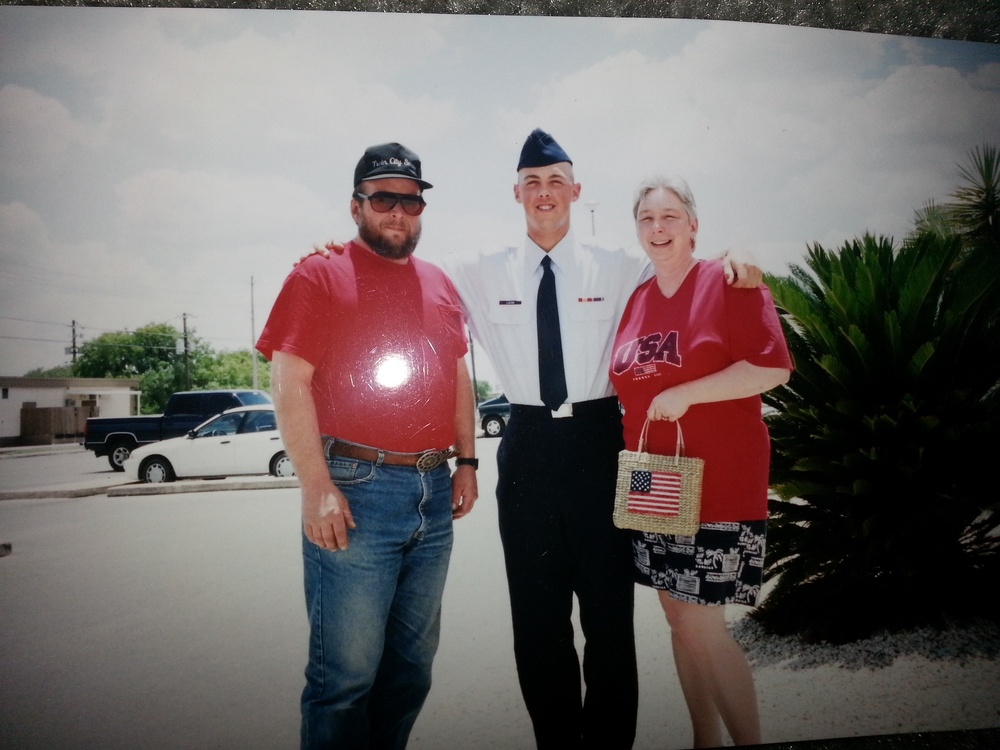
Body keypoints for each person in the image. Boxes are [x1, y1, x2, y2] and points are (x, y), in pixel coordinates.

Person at [444, 129, 763, 749]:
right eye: (532, 183)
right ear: (516, 192)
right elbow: (412, 283)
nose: (544, 193)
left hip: (601, 443)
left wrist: (738, 252)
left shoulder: (621, 265)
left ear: (576, 190)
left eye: (556, 181)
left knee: (610, 620)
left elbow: (685, 265)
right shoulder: (477, 271)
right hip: (528, 444)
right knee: (538, 624)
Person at [257, 142, 479, 750]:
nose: (398, 213)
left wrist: (466, 460)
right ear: (356, 205)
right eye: (384, 199)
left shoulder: (438, 282)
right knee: (345, 679)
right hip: (356, 488)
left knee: (412, 668)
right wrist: (316, 487)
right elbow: (288, 379)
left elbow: (459, 376)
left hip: (433, 498)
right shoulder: (317, 274)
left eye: (411, 201)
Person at [608, 176, 792, 747]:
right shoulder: (637, 299)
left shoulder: (728, 281)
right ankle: (703, 740)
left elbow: (772, 366)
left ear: (693, 225)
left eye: (669, 217)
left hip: (719, 483)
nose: (657, 229)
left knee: (701, 626)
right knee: (679, 623)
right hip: (656, 482)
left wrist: (690, 393)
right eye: (646, 219)